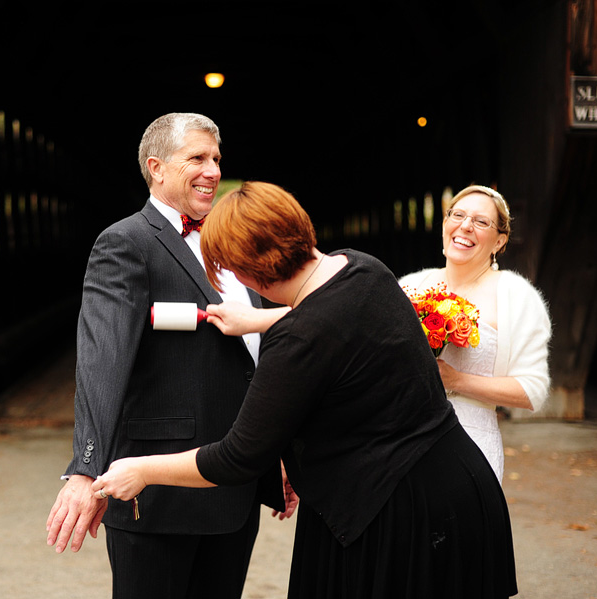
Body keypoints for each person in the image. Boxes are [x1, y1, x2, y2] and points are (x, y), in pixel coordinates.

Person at [92, 181, 519, 598]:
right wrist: (258, 320)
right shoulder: (364, 268)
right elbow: (333, 321)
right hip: (461, 485)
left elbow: (237, 457)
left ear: (248, 269)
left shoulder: (297, 343)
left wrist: (142, 470)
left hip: (397, 514)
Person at [44, 114, 292, 599]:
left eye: (217, 159)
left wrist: (282, 452)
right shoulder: (125, 244)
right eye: (197, 158)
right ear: (156, 168)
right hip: (157, 494)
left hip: (235, 484)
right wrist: (85, 468)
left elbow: (264, 357)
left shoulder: (236, 244)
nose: (212, 171)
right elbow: (101, 363)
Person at [399, 185, 551, 481]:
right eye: (458, 215)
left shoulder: (516, 295)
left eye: (481, 222)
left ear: (499, 240)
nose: (465, 226)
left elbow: (533, 390)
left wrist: (457, 380)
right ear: (445, 224)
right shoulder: (409, 286)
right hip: (402, 443)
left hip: (470, 447)